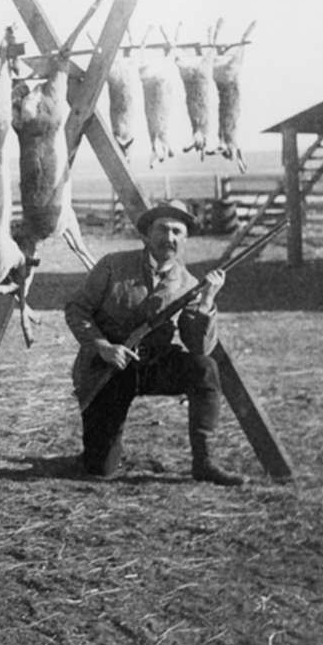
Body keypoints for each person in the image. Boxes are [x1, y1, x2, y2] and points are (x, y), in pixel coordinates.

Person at [64, 199, 245, 486]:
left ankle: (204, 462)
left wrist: (208, 300)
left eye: (177, 232)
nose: (168, 238)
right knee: (100, 470)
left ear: (185, 239)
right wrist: (102, 346)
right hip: (108, 367)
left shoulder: (188, 283)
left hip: (154, 366)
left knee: (204, 367)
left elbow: (198, 346)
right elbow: (77, 309)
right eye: (162, 229)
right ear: (147, 234)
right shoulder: (113, 265)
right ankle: (97, 452)